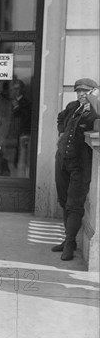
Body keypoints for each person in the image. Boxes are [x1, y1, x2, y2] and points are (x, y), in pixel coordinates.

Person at [52, 78, 99, 261]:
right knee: (64, 201)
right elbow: (60, 117)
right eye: (79, 91)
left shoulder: (95, 110)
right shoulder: (73, 106)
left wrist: (94, 99)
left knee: (74, 203)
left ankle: (70, 243)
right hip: (62, 161)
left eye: (86, 91)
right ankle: (67, 239)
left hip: (81, 164)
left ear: (94, 92)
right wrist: (61, 132)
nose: (81, 94)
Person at [6, 79, 33, 175]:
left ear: (22, 90)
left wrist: (17, 107)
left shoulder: (26, 103)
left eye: (17, 89)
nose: (14, 91)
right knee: (10, 161)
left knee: (21, 161)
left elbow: (26, 118)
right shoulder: (9, 102)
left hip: (22, 135)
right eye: (13, 89)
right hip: (10, 136)